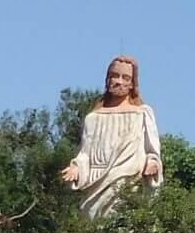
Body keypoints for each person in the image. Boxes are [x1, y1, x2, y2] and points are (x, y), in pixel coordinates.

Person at [59, 55, 162, 220]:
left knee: (124, 227)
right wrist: (76, 167)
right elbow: (85, 153)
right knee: (95, 230)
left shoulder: (142, 113)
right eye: (115, 76)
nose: (119, 81)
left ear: (132, 84)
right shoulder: (93, 118)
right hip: (96, 183)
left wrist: (152, 164)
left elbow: (152, 150)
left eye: (125, 77)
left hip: (128, 181)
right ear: (108, 79)